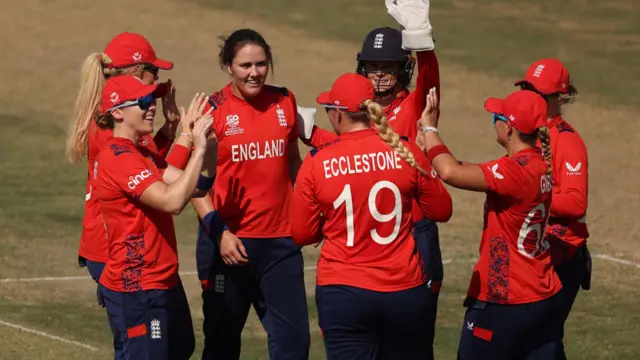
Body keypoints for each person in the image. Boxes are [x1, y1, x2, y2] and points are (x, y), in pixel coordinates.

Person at [297, 0, 444, 353]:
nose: (379, 74)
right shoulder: (357, 107)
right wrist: (313, 136)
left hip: (415, 234)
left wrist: (422, 42)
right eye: (373, 66)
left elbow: (430, 79)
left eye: (388, 67)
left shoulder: (413, 105)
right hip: (371, 233)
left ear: (402, 70)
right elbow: (355, 150)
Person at [64, 32, 194, 358]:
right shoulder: (114, 132)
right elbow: (161, 188)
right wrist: (189, 139)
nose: (158, 82)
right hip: (119, 248)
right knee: (142, 350)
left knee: (165, 346)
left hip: (121, 243)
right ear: (137, 72)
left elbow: (152, 167)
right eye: (154, 75)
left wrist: (169, 131)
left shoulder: (116, 120)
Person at [192, 28, 310, 360]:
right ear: (228, 66)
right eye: (245, 65)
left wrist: (308, 214)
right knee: (221, 345)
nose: (254, 73)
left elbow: (293, 164)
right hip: (228, 245)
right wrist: (221, 234)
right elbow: (195, 188)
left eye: (261, 64)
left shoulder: (285, 100)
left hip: (281, 245)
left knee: (294, 345)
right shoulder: (211, 112)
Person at [417, 88, 562, 359]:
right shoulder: (540, 165)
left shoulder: (514, 171)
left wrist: (429, 128)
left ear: (509, 129)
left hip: (504, 298)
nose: (493, 121)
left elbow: (450, 171)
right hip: (541, 294)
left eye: (496, 116)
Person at [94, 75, 215, 360]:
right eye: (144, 102)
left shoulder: (140, 153)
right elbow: (172, 201)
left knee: (181, 346)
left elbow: (197, 186)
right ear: (118, 112)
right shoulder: (118, 157)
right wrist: (195, 148)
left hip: (163, 281)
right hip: (138, 288)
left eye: (153, 101)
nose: (152, 108)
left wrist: (207, 143)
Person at [515, 58, 590, 360]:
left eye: (539, 93)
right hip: (536, 252)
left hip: (562, 254)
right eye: (528, 90)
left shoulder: (567, 141)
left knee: (541, 340)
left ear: (558, 98)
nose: (531, 98)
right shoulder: (526, 131)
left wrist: (532, 197)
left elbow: (575, 201)